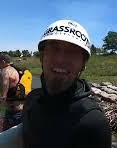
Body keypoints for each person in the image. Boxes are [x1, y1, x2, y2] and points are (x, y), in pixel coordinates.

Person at [23, 20, 111, 148]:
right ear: (42, 57)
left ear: (83, 64)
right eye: (54, 48)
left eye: (73, 52)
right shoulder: (31, 100)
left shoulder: (92, 121)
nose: (61, 59)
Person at [0, 53, 24, 132]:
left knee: (6, 139)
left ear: (3, 62)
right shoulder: (17, 70)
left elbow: (2, 96)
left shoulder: (5, 72)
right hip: (23, 111)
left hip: (13, 114)